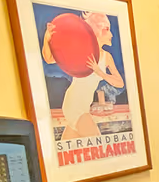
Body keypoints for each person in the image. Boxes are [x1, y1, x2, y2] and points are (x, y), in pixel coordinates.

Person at [41, 11, 124, 141]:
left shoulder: (107, 57)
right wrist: (47, 39)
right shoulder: (81, 51)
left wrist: (100, 72)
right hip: (74, 104)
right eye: (106, 29)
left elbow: (120, 83)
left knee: (68, 148)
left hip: (84, 105)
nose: (111, 34)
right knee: (98, 142)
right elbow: (50, 59)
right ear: (96, 30)